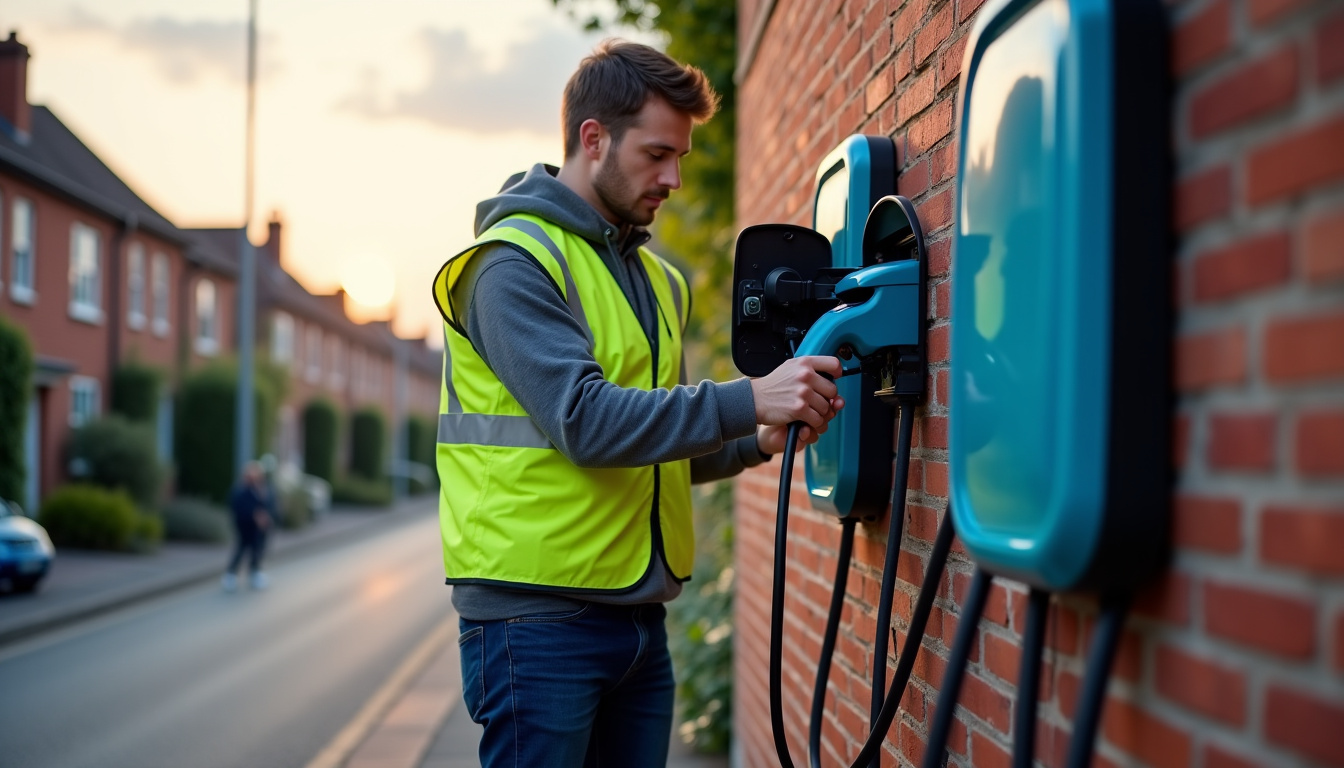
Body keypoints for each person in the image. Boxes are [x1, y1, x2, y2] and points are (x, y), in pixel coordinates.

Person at [431, 39, 843, 767]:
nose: (675, 178)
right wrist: (750, 399)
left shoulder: (657, 279)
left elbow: (651, 449)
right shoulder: (511, 263)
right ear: (594, 139)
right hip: (535, 621)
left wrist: (757, 439)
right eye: (657, 154)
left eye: (680, 157)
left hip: (638, 624)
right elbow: (587, 423)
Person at [222, 461, 274, 592]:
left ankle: (255, 572)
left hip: (259, 530)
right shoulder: (240, 491)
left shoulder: (264, 490)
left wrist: (266, 518)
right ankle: (231, 575)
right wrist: (253, 516)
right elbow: (237, 508)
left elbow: (271, 506)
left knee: (257, 552)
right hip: (245, 527)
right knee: (241, 550)